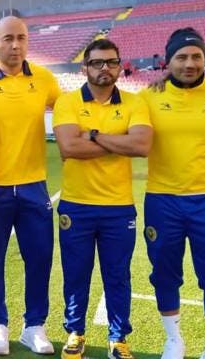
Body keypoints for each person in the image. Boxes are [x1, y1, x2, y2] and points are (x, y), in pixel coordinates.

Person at [0, 15, 60, 354]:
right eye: (8, 39)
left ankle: (34, 326)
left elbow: (72, 108)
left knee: (40, 257)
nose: (16, 45)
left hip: (34, 185)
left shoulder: (44, 79)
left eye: (21, 38)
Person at [52, 39, 152, 359]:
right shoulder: (68, 102)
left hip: (118, 207)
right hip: (76, 205)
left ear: (120, 66)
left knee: (117, 275)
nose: (104, 68)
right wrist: (119, 142)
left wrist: (93, 135)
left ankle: (118, 338)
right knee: (76, 273)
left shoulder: (135, 103)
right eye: (97, 62)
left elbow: (141, 146)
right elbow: (69, 147)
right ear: (85, 68)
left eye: (111, 62)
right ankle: (75, 333)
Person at [140, 28, 205, 359]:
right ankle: (173, 340)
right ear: (168, 61)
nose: (189, 63)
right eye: (181, 57)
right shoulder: (147, 97)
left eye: (196, 56)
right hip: (162, 200)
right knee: (164, 271)